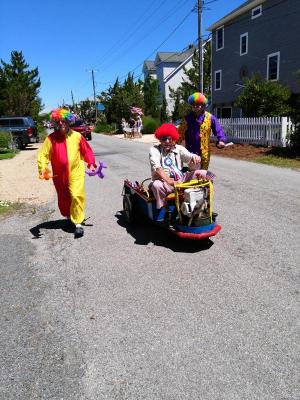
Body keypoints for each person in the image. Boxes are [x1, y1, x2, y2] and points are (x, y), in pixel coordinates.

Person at [37, 108, 96, 238]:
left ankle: (78, 223)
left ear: (69, 122)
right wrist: (43, 169)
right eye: (58, 122)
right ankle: (69, 216)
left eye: (64, 121)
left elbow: (86, 150)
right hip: (59, 175)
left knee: (76, 195)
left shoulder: (77, 136)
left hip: (76, 172)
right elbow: (43, 155)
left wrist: (91, 163)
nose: (62, 124)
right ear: (55, 123)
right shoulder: (51, 139)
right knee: (64, 198)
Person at [149, 123, 213, 209]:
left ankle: (206, 204)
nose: (167, 141)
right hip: (163, 182)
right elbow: (157, 167)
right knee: (156, 185)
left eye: (170, 138)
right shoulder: (154, 150)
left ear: (173, 138)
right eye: (164, 139)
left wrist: (196, 158)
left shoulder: (179, 148)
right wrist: (169, 181)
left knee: (206, 174)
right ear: (160, 139)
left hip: (180, 180)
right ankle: (163, 210)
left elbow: (190, 157)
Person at [178, 92, 226, 169]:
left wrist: (221, 140)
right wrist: (173, 144)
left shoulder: (210, 118)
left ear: (203, 106)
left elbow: (218, 130)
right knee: (194, 173)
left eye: (198, 104)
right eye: (193, 105)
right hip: (191, 152)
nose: (195, 106)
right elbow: (179, 134)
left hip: (205, 152)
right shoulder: (187, 119)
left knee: (203, 173)